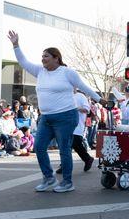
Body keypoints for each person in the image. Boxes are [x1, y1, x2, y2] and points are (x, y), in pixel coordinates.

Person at [8, 30, 105, 193]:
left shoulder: (67, 73)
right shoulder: (40, 71)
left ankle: (67, 182)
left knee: (64, 150)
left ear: (56, 58)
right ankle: (49, 178)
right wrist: (16, 45)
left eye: (46, 56)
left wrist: (100, 99)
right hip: (46, 117)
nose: (43, 58)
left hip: (66, 117)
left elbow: (84, 87)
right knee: (39, 147)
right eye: (42, 56)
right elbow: (23, 62)